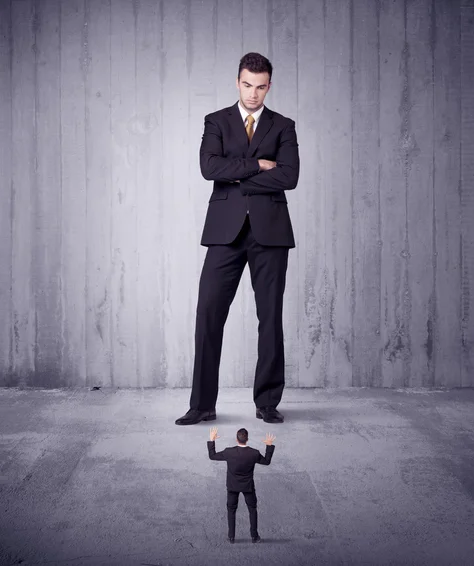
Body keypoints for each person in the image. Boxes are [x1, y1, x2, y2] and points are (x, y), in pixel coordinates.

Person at [175, 52, 299, 426]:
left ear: (269, 86)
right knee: (208, 314)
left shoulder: (283, 125)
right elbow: (208, 168)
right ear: (237, 81)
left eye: (261, 87)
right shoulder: (217, 121)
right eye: (247, 85)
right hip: (224, 232)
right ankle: (202, 405)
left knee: (270, 319)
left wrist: (236, 175)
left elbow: (289, 177)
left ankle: (267, 402)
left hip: (271, 234)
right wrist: (260, 165)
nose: (253, 93)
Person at [207, 426, 276, 543]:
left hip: (232, 487)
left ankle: (231, 537)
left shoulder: (229, 452)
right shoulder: (254, 453)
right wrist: (269, 446)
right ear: (247, 439)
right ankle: (254, 536)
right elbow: (267, 461)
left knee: (231, 510)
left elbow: (212, 456)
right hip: (248, 487)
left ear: (236, 439)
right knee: (252, 510)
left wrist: (212, 440)